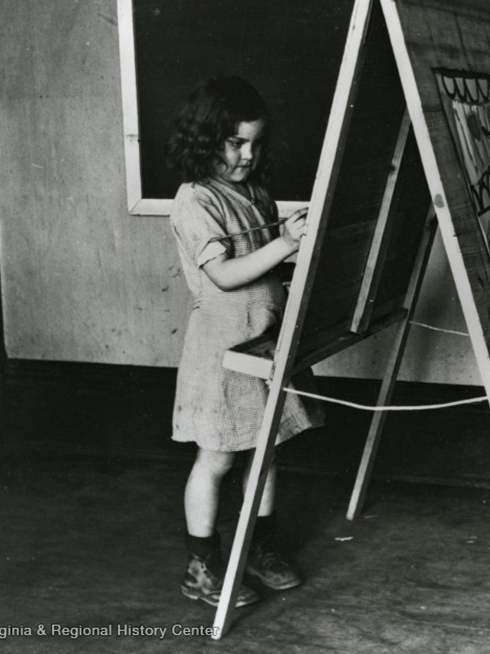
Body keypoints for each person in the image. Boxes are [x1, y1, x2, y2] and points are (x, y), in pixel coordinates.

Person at [166, 75, 324, 608]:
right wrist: (283, 242)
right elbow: (227, 275)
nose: (247, 155)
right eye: (235, 142)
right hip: (222, 353)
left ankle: (259, 548)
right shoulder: (195, 200)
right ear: (206, 138)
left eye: (255, 143)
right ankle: (202, 566)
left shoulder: (255, 192)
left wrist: (295, 244)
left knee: (267, 450)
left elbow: (270, 264)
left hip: (264, 346)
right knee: (217, 459)